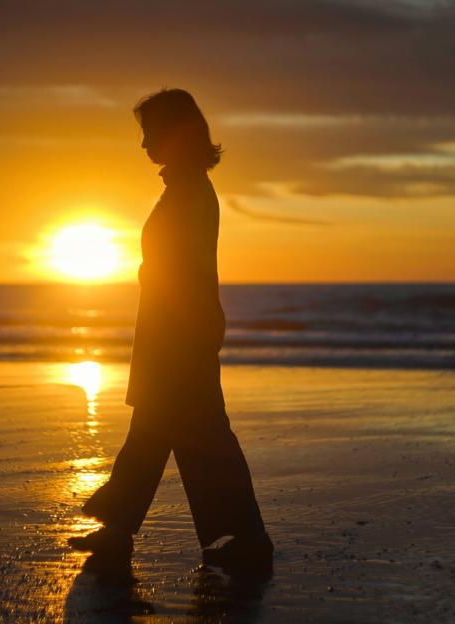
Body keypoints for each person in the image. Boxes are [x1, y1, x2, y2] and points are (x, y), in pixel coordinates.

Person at [69, 89, 273, 572]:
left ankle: (250, 537)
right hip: (172, 332)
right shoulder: (183, 189)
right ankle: (119, 531)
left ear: (174, 133)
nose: (143, 145)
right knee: (153, 431)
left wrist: (187, 336)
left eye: (149, 133)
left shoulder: (190, 193)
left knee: (201, 434)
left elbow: (189, 273)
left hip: (180, 336)